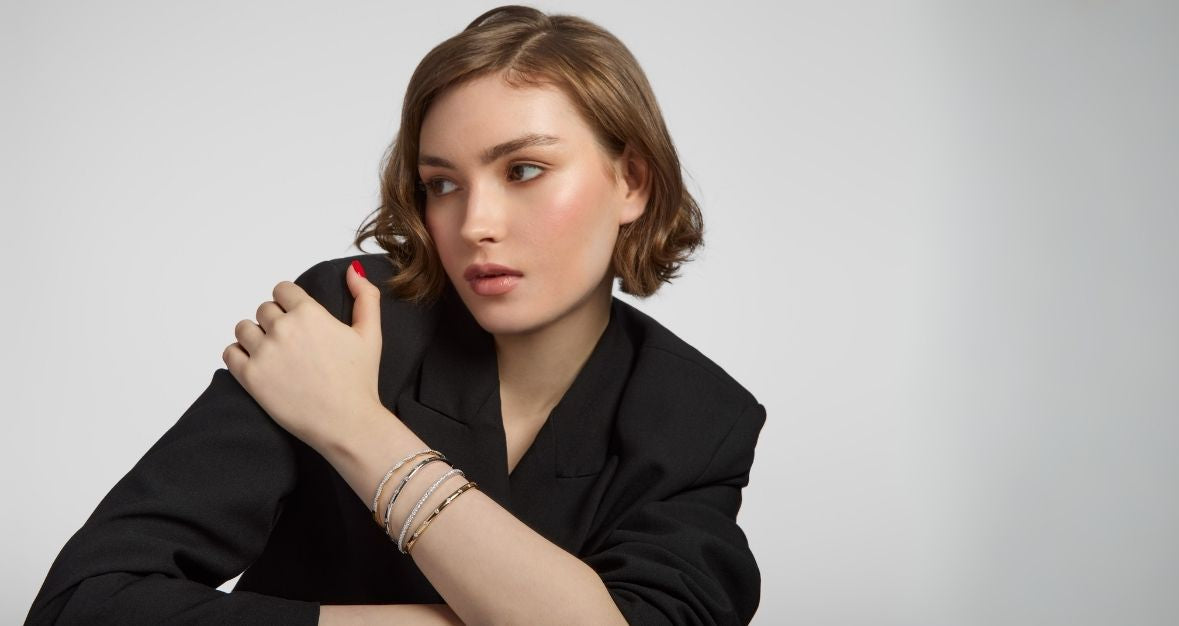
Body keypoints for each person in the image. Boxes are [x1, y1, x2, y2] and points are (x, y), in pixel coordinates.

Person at [25, 5, 767, 625]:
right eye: (442, 184)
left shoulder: (699, 419)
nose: (475, 222)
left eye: (525, 170)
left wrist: (356, 428)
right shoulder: (349, 316)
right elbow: (83, 605)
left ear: (632, 181)